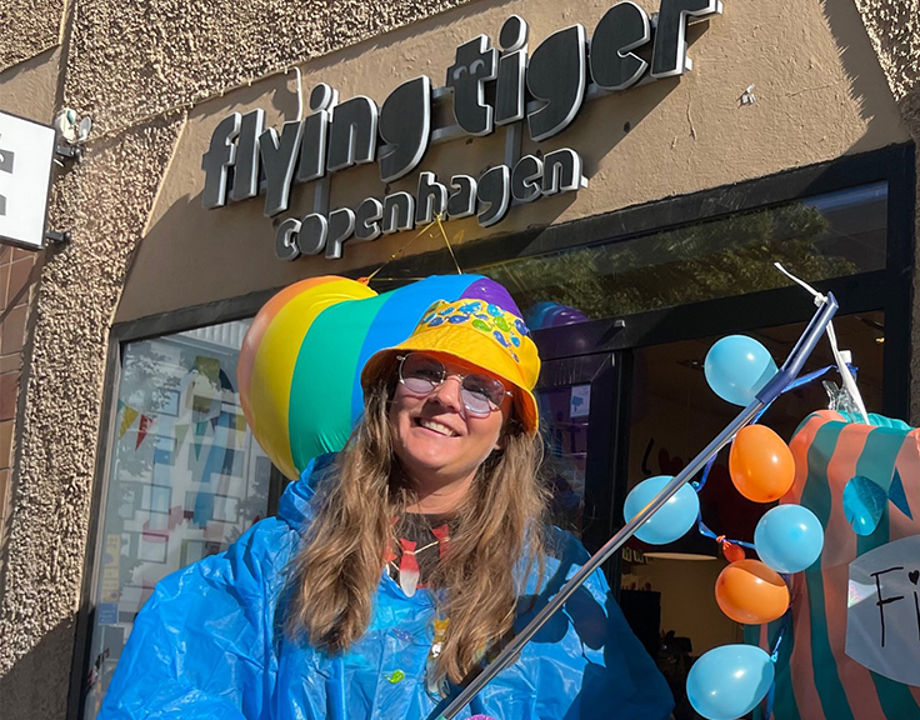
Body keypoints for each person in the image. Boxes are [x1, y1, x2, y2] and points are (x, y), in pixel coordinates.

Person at [102, 292, 674, 719]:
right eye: (425, 373)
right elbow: (172, 686)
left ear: (507, 431)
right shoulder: (278, 559)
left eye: (481, 390)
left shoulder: (550, 580)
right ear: (391, 395)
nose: (445, 398)